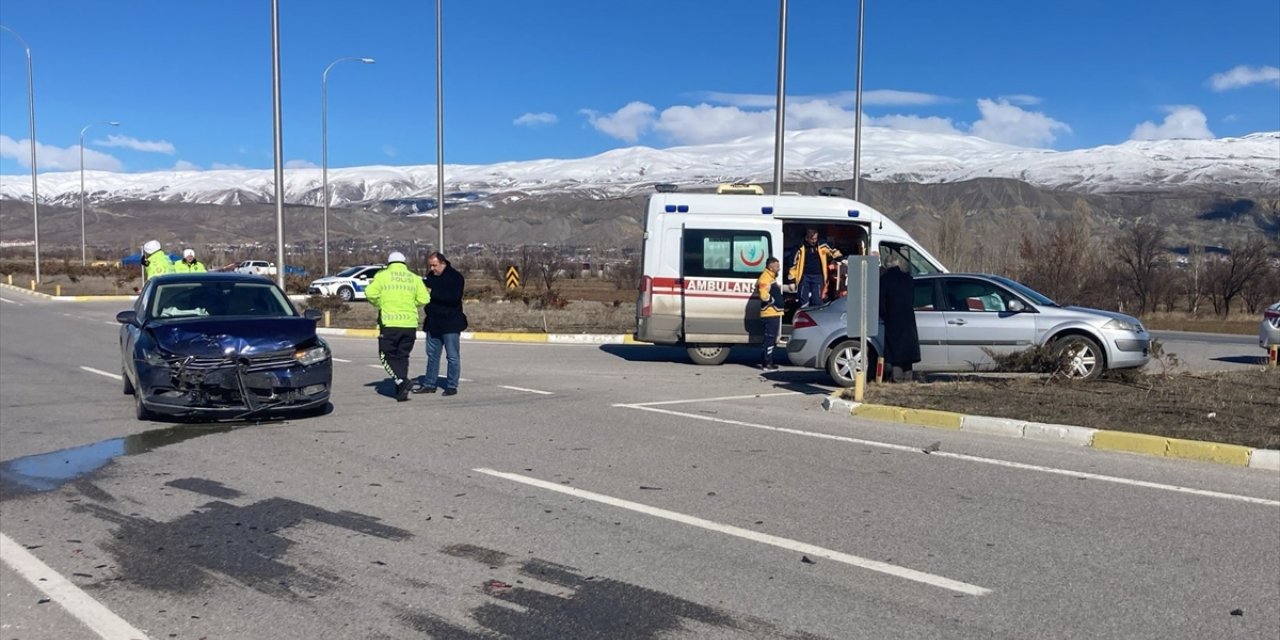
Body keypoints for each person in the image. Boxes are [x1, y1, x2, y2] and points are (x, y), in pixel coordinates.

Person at [365, 251, 430, 402]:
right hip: (409, 324)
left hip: (390, 323)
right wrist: (410, 305)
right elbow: (425, 298)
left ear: (389, 263)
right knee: (402, 356)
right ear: (404, 263)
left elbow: (370, 293)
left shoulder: (382, 276)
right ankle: (401, 390)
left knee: (385, 356)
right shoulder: (414, 278)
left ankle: (402, 381)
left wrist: (381, 304)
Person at [415, 251, 467, 395]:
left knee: (452, 356)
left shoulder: (455, 277)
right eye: (430, 266)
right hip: (433, 323)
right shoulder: (431, 277)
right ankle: (429, 383)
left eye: (434, 265)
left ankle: (451, 385)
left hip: (450, 323)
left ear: (443, 263)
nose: (432, 269)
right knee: (432, 355)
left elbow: (453, 298)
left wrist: (433, 294)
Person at [879, 254, 921, 382]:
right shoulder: (908, 279)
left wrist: (883, 315)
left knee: (894, 351)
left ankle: (897, 378)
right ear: (898, 264)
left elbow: (881, 302)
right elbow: (912, 299)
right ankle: (908, 378)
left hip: (892, 319)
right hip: (908, 319)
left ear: (886, 266)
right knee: (907, 350)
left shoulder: (884, 280)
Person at [788, 229, 842, 308]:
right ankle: (803, 315)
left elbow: (832, 251)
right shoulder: (800, 247)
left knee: (817, 299)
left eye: (816, 238)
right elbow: (793, 264)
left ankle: (816, 315)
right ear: (807, 238)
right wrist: (791, 280)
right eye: (812, 239)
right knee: (803, 300)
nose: (814, 241)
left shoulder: (822, 245)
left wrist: (840, 257)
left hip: (817, 276)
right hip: (804, 276)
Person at [756, 257, 784, 371]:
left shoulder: (770, 277)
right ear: (770, 267)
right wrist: (773, 300)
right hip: (770, 313)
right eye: (777, 266)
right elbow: (763, 295)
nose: (779, 268)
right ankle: (767, 363)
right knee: (770, 338)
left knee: (770, 338)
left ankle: (767, 361)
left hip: (774, 312)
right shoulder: (765, 278)